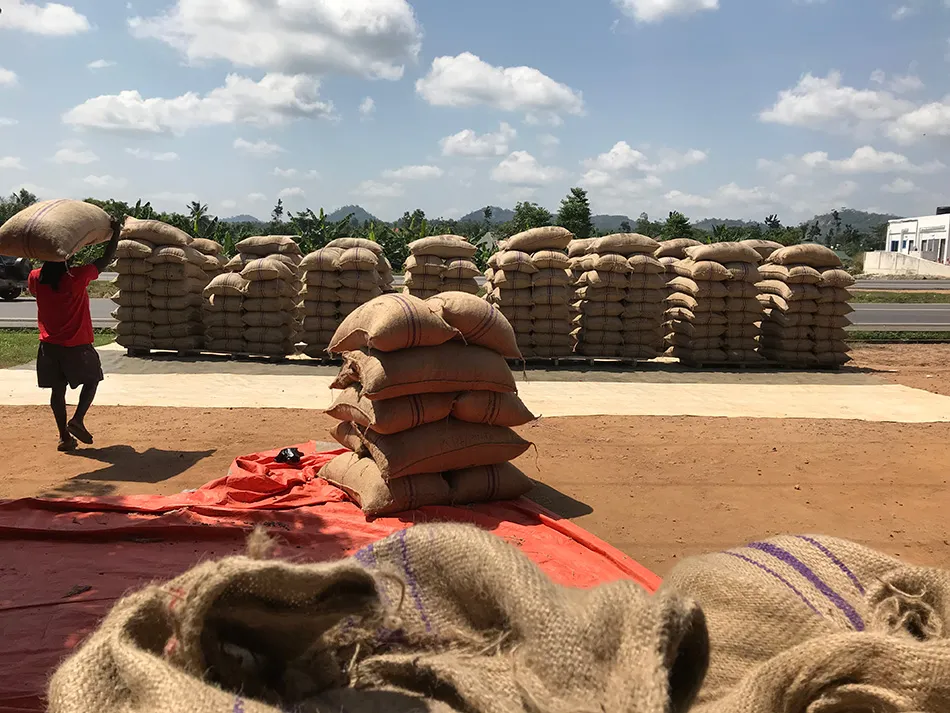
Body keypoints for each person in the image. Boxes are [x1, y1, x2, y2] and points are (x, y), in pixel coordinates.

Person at [28, 220, 121, 451]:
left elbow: (35, 289)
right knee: (92, 380)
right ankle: (77, 420)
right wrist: (116, 233)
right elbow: (105, 260)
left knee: (57, 391)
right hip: (77, 345)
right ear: (66, 258)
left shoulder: (35, 277)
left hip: (48, 346)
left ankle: (64, 438)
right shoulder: (76, 278)